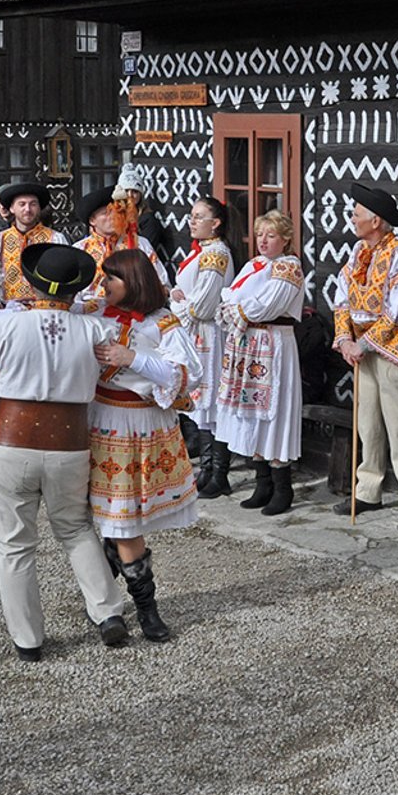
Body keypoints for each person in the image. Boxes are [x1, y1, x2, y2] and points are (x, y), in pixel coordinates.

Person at [0, 243, 143, 659]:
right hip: (70, 446)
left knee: (14, 542)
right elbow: (128, 373)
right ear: (76, 290)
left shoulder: (3, 329)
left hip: (13, 442)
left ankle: (28, 640)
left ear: (29, 282)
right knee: (76, 528)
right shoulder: (96, 330)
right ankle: (108, 613)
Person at [90, 248, 199, 641]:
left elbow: (187, 374)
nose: (103, 286)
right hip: (102, 419)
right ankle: (136, 608)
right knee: (117, 518)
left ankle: (130, 607)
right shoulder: (95, 314)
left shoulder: (162, 323)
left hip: (143, 422)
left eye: (110, 279)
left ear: (132, 282)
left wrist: (132, 357)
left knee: (123, 520)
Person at [329, 182, 398, 530]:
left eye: (357, 214)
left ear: (376, 220)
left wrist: (364, 343)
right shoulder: (358, 252)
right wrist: (344, 339)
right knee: (367, 422)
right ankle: (368, 489)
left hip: (392, 349)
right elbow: (341, 295)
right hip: (361, 349)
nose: (352, 219)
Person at [216, 210, 306, 516]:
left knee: (274, 410)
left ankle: (283, 486)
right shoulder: (253, 265)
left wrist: (240, 308)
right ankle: (262, 482)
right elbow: (228, 295)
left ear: (285, 239)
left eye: (271, 235)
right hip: (248, 344)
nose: (263, 241)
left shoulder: (289, 267)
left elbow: (266, 305)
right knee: (251, 411)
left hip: (272, 343)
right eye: (260, 234)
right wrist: (239, 306)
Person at [173, 194, 237, 496]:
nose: (192, 221)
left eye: (199, 216)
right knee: (201, 402)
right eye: (192, 215)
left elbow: (203, 305)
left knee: (212, 401)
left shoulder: (217, 253)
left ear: (216, 223)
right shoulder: (202, 252)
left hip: (209, 334)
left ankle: (218, 471)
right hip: (196, 334)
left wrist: (180, 306)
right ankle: (208, 467)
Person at [0, 181, 66, 308]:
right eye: (22, 204)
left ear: (39, 208)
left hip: (46, 311)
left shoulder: (56, 239)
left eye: (33, 204)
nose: (27, 209)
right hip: (7, 312)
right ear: (12, 208)